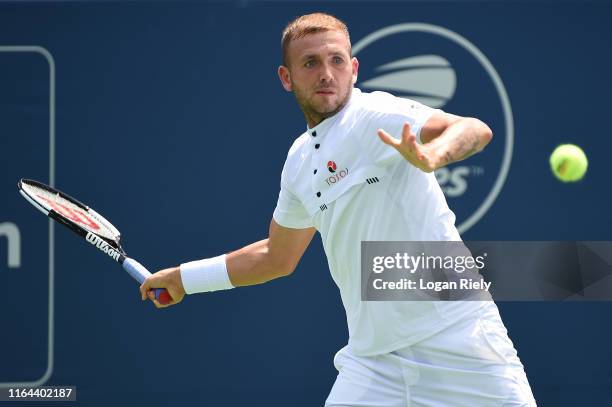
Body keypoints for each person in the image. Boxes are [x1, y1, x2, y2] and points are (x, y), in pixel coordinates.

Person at [140, 12, 536, 406]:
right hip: (373, 362)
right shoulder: (297, 163)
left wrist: (434, 153)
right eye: (310, 63)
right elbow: (275, 256)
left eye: (337, 60)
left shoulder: (374, 116)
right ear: (286, 78)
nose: (326, 73)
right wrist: (183, 278)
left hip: (460, 341)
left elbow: (474, 128)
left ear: (354, 68)